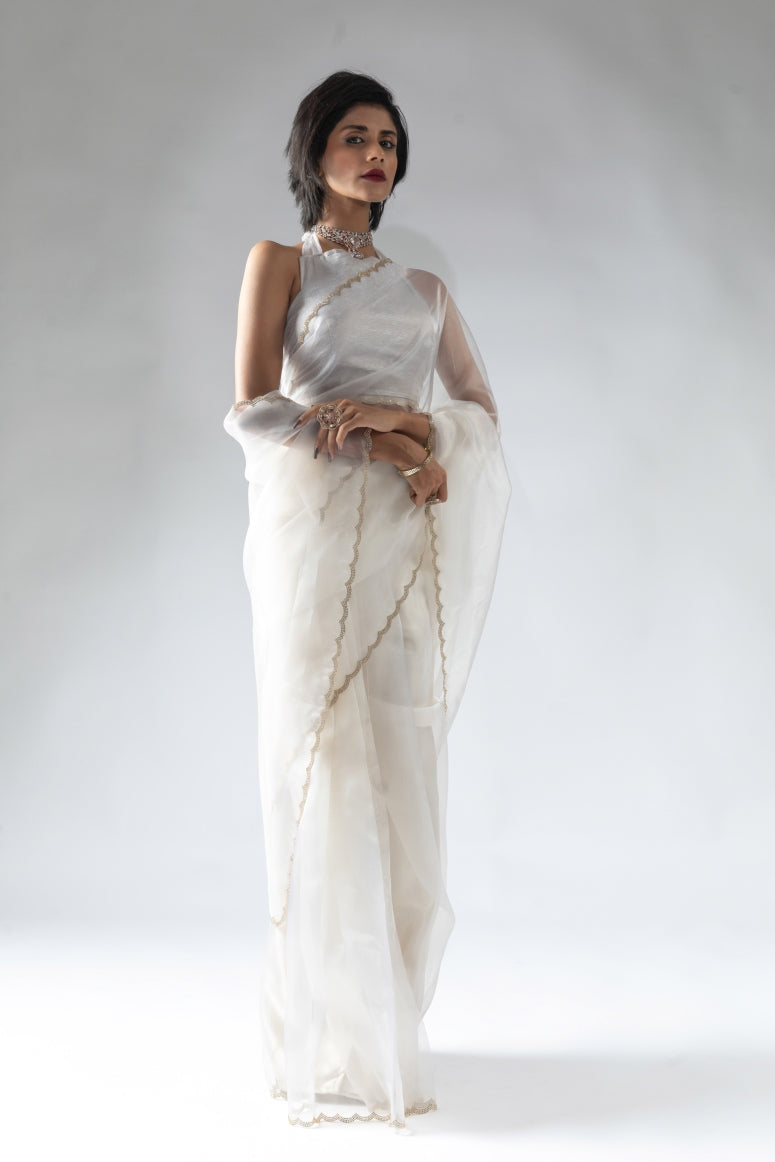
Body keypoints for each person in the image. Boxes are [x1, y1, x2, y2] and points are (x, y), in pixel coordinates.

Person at [224, 71, 510, 1130]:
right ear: (314, 153)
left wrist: (402, 428)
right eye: (353, 136)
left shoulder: (424, 292)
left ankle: (386, 1023)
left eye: (387, 139)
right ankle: (319, 1034)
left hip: (398, 551)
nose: (375, 154)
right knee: (317, 766)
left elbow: (475, 417)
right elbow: (253, 411)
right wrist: (392, 445)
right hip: (309, 546)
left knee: (398, 773)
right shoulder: (279, 262)